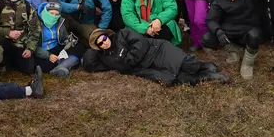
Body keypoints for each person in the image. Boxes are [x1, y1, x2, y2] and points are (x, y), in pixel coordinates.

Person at [82, 28, 228, 86]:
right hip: (146, 68)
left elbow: (141, 43)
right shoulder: (107, 58)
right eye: (99, 43)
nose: (104, 43)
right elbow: (89, 64)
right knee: (178, 79)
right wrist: (93, 49)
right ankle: (209, 76)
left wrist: (131, 59)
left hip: (157, 50)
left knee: (186, 64)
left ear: (107, 35)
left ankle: (202, 66)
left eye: (103, 39)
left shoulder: (122, 34)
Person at [0, 0, 40, 74]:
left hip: (21, 45)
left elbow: (36, 30)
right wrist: (8, 33)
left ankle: (13, 62)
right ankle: (4, 62)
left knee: (29, 70)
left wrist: (30, 49)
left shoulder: (27, 7)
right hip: (4, 44)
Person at [33, 1, 83, 76]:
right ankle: (68, 63)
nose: (54, 16)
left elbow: (64, 37)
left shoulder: (60, 21)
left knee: (79, 46)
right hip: (42, 51)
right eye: (51, 13)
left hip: (56, 47)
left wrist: (68, 43)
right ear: (45, 11)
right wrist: (48, 55)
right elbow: (32, 46)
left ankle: (61, 66)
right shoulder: (35, 21)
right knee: (43, 64)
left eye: (56, 14)